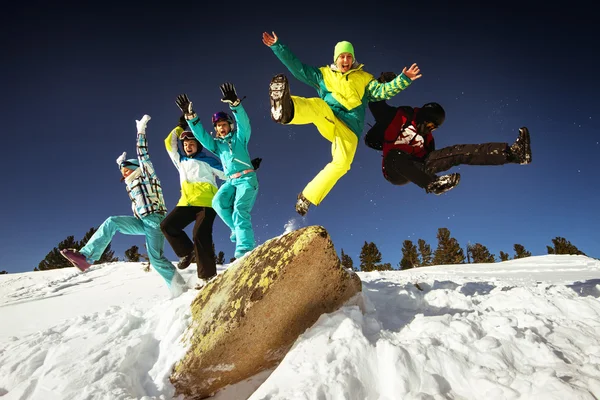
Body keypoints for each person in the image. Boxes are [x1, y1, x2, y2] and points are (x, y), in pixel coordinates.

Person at [262, 31, 421, 216]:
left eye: (349, 56)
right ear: (336, 59)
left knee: (342, 164)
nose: (345, 60)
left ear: (353, 58)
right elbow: (298, 68)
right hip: (330, 117)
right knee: (319, 106)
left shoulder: (364, 78)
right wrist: (277, 46)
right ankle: (287, 109)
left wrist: (403, 79)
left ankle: (306, 197)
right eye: (342, 56)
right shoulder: (323, 74)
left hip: (350, 130)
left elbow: (383, 91)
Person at [60, 115, 187, 298]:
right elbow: (127, 173)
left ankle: (180, 288)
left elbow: (143, 155)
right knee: (112, 222)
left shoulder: (147, 175)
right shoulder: (132, 183)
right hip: (141, 221)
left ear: (137, 168)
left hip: (154, 220)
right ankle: (86, 258)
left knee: (156, 259)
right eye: (122, 172)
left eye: (128, 170)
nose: (125, 174)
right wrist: (121, 163)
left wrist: (141, 132)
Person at [366, 72, 532, 195]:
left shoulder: (428, 140)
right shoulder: (398, 116)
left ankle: (513, 154)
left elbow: (432, 161)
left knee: (456, 151)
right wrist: (383, 82)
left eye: (435, 127)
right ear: (423, 117)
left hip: (416, 166)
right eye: (431, 125)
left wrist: (432, 159)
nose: (432, 130)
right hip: (393, 169)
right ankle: (432, 184)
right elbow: (375, 102)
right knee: (396, 154)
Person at [176, 83, 259, 260]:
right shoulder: (217, 146)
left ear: (229, 125)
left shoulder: (239, 138)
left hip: (246, 179)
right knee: (218, 202)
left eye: (224, 124)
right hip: (230, 181)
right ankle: (237, 230)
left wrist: (235, 105)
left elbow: (244, 124)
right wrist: (191, 118)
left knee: (239, 209)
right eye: (218, 126)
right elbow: (202, 137)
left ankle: (245, 249)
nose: (221, 128)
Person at [160, 115, 226, 287]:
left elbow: (228, 173)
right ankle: (187, 252)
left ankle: (207, 276)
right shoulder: (180, 161)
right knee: (167, 225)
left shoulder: (208, 161)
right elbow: (169, 144)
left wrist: (247, 169)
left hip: (207, 203)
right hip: (186, 203)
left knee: (200, 234)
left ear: (198, 146)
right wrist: (180, 127)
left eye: (191, 144)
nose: (188, 147)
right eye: (186, 145)